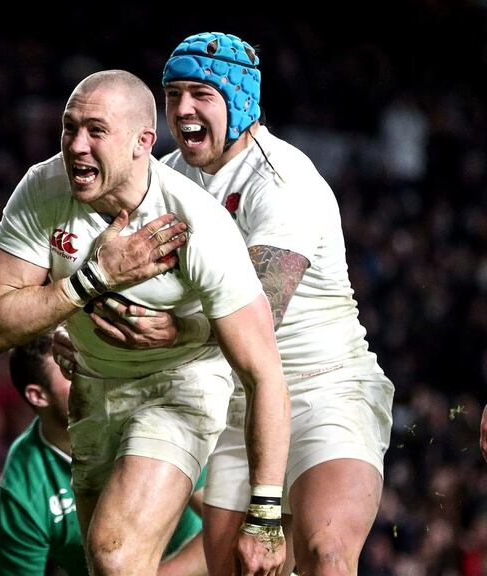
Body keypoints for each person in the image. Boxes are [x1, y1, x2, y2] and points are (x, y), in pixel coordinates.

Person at [79, 32, 395, 575]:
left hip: (324, 386)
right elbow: (121, 273)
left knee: (328, 553)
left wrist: (173, 333)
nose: (182, 109)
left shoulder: (281, 182)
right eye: (173, 93)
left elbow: (260, 316)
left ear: (241, 101)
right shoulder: (165, 178)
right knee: (240, 569)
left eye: (201, 93)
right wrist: (78, 329)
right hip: (236, 400)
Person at [0, 69, 289, 576]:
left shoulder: (196, 224)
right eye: (68, 127)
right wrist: (92, 279)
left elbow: (264, 373)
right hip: (93, 388)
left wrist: (266, 515)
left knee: (114, 552)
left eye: (96, 131)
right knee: (112, 565)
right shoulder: (43, 187)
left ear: (144, 141)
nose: (76, 145)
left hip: (178, 385)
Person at [0, 331, 207, 576]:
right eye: (70, 370)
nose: (91, 375)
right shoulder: (23, 487)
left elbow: (225, 523)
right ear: (38, 395)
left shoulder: (143, 417)